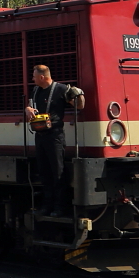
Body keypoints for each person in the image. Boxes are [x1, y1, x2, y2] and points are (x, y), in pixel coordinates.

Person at [24, 65, 85, 217]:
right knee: (44, 172)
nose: (32, 79)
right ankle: (47, 206)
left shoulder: (61, 89)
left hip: (55, 136)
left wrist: (79, 95)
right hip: (40, 135)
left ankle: (59, 207)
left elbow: (81, 106)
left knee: (57, 171)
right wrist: (28, 109)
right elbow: (31, 106)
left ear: (42, 77)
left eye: (34, 76)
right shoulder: (36, 90)